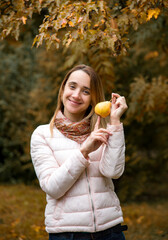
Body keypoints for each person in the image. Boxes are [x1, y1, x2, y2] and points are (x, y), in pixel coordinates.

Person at [30, 64, 128, 240]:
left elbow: (113, 172)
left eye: (85, 91)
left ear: (93, 98)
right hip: (68, 234)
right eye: (72, 86)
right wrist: (84, 151)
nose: (76, 95)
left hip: (110, 231)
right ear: (63, 90)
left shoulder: (103, 130)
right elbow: (52, 187)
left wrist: (114, 122)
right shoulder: (43, 134)